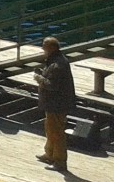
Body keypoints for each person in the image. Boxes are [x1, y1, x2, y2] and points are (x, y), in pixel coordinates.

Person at [35, 36, 75, 171]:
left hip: (57, 104)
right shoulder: (55, 60)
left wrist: (39, 78)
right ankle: (49, 154)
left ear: (52, 48)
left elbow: (52, 85)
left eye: (44, 45)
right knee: (50, 129)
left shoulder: (58, 64)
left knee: (57, 133)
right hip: (52, 103)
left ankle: (60, 162)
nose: (42, 48)